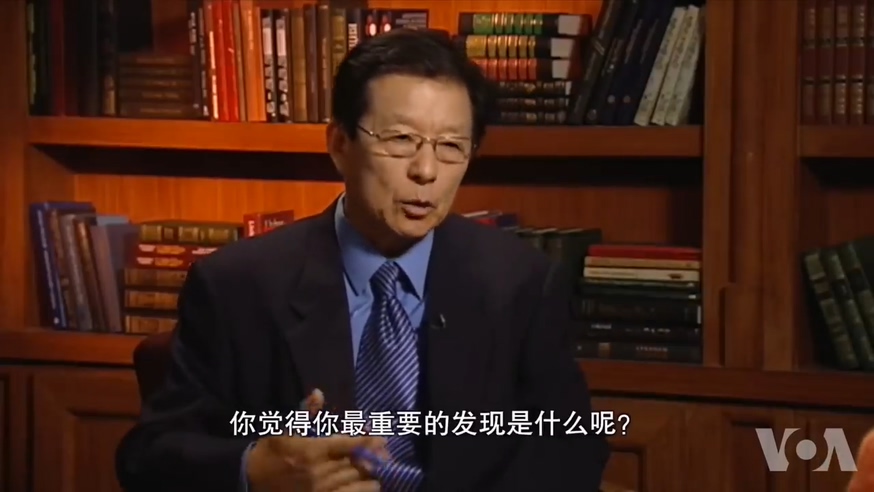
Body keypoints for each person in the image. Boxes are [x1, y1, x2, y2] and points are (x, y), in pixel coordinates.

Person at [115, 28, 609, 492]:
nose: (426, 171)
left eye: (451, 147)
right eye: (400, 140)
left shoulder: (519, 281)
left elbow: (573, 443)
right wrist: (255, 468)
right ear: (339, 145)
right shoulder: (238, 284)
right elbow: (149, 456)